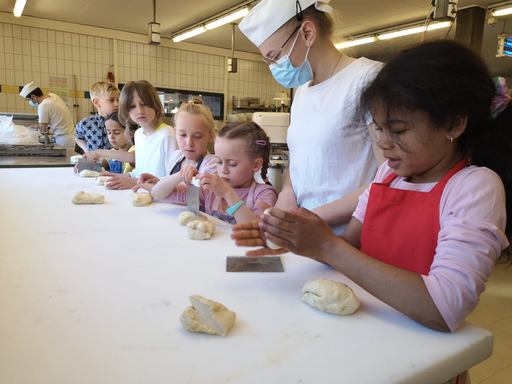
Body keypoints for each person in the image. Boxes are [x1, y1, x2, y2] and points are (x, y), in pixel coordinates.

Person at [232, 38, 511, 362]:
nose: (383, 143)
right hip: (364, 338)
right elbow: (350, 246)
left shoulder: (475, 187)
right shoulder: (387, 178)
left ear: (453, 123)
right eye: (377, 129)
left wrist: (327, 246)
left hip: (419, 358)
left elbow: (444, 308)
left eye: (399, 130)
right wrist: (295, 237)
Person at [238, 0, 385, 235]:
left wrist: (307, 218)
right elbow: (298, 167)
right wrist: (284, 207)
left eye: (275, 56)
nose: (275, 67)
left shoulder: (368, 79)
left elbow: (387, 178)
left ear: (307, 33)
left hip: (349, 238)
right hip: (303, 235)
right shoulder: (303, 92)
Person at [137, 121, 278, 224]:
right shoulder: (209, 190)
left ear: (256, 164)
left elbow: (258, 232)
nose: (223, 170)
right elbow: (158, 193)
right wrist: (179, 175)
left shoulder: (264, 194)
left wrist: (228, 193)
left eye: (232, 164)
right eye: (219, 161)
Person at [99, 80, 177, 190]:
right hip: (141, 193)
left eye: (144, 104)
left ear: (155, 104)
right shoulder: (139, 134)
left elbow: (174, 178)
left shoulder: (167, 135)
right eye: (132, 106)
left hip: (161, 198)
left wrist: (134, 182)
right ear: (127, 112)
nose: (139, 111)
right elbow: (140, 171)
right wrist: (119, 176)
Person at [134, 98, 217, 191]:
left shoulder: (211, 166)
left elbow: (201, 198)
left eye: (197, 136)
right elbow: (169, 180)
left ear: (210, 136)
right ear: (176, 133)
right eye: (183, 135)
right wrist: (157, 181)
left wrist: (159, 189)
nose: (189, 143)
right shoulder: (176, 156)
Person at [19, 81, 75, 152]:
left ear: (33, 96)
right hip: (70, 136)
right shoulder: (53, 96)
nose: (30, 102)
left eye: (29, 100)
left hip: (63, 140)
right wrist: (38, 126)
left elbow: (43, 131)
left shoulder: (43, 106)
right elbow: (54, 117)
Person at [75, 82, 120, 153]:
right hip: (94, 163)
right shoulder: (86, 123)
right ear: (96, 102)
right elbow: (78, 137)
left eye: (118, 100)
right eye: (111, 100)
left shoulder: (122, 122)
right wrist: (87, 150)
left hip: (117, 163)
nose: (117, 104)